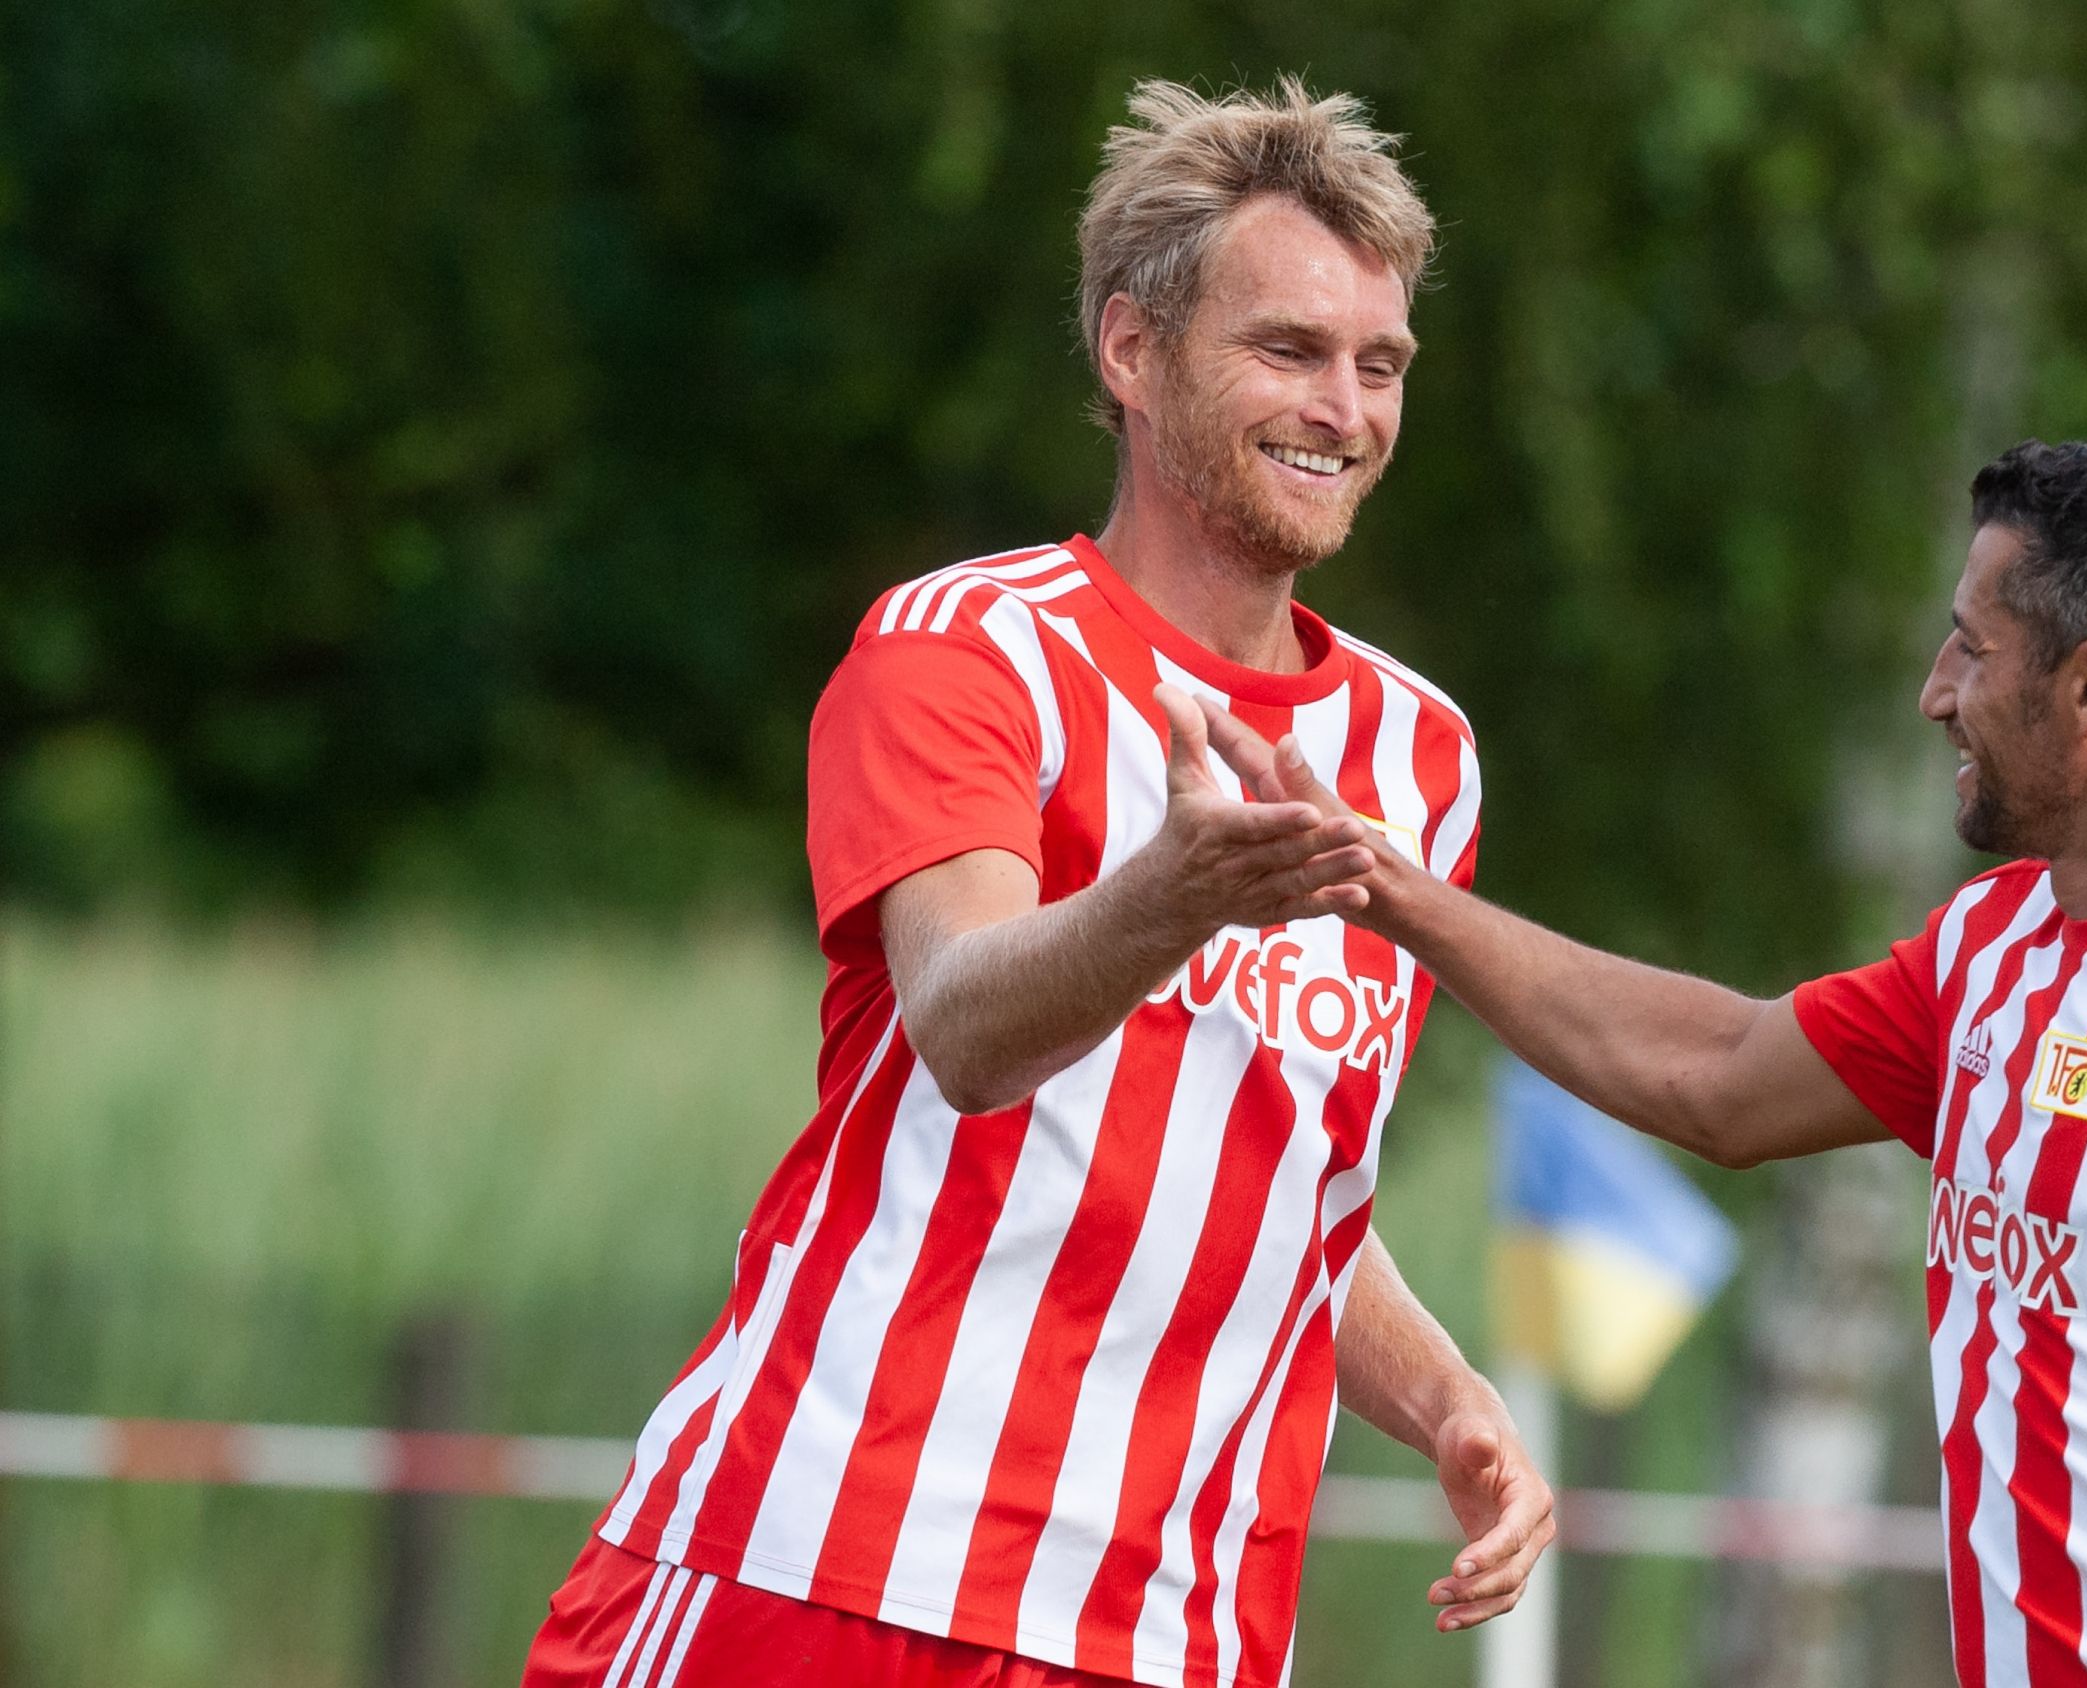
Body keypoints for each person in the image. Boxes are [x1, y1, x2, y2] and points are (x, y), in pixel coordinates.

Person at [1228, 435, 2087, 1686]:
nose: (1934, 692)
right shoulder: (1992, 954)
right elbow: (1719, 1075)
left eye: (1973, 646)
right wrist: (1393, 890)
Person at [523, 78, 1552, 1688]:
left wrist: (1444, 1399)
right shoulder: (967, 649)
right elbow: (965, 1024)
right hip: (844, 1569)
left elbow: (1285, 1181)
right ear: (1132, 353)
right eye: (1287, 348)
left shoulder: (1425, 753)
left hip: (1180, 1635)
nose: (1343, 408)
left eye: (1382, 363)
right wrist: (1177, 891)